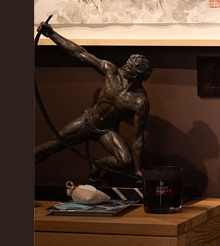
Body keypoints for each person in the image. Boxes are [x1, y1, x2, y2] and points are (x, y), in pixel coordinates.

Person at [34, 20, 152, 181]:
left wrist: (138, 170)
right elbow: (80, 54)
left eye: (128, 66)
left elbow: (137, 137)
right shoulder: (112, 72)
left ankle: (98, 164)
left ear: (137, 75)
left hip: (107, 130)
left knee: (125, 161)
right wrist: (52, 34)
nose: (124, 66)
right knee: (49, 147)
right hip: (87, 121)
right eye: (126, 63)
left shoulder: (140, 102)